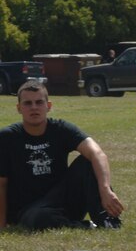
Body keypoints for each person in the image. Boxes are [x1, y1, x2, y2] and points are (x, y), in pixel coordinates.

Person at [0, 81, 123, 230]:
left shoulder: (61, 129)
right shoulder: (7, 137)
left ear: (48, 106)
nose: (34, 107)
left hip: (61, 201)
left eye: (39, 102)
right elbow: (2, 184)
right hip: (28, 210)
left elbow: (97, 153)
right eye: (27, 103)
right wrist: (1, 225)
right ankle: (85, 226)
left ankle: (108, 222)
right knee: (40, 219)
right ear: (19, 108)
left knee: (88, 161)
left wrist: (105, 189)